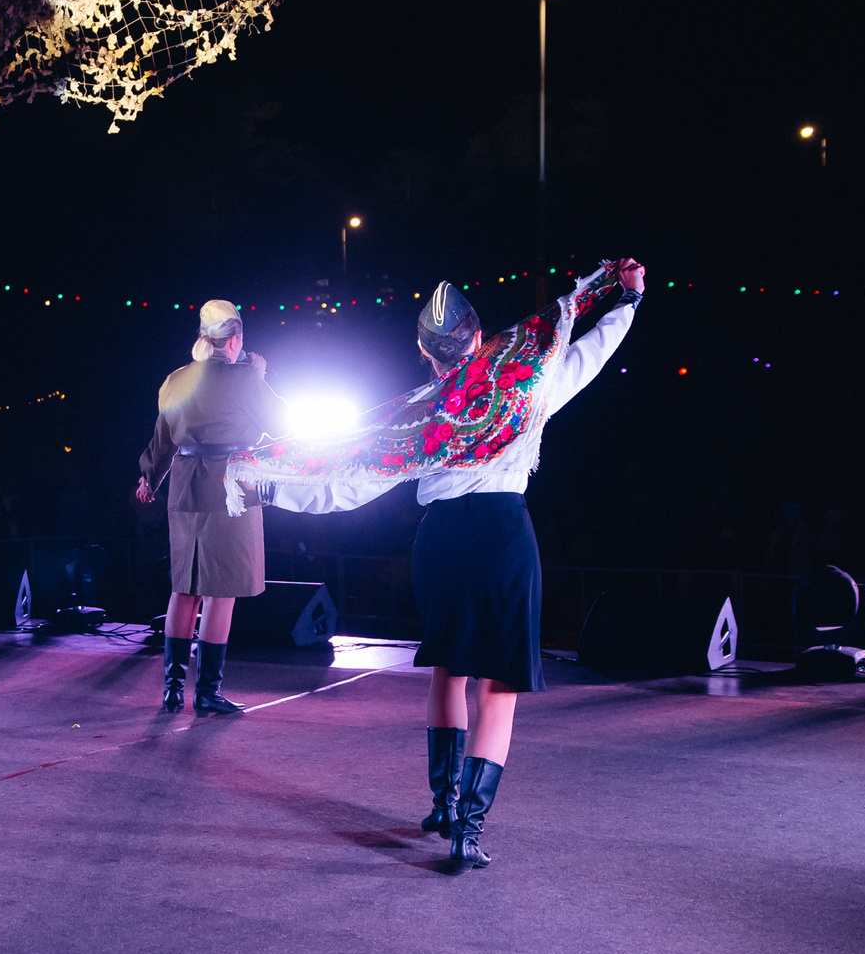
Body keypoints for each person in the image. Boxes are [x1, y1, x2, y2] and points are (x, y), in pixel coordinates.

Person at [222, 261, 643, 870]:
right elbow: (588, 355)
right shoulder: (524, 382)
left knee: (449, 669)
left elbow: (347, 477)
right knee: (499, 687)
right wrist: (626, 302)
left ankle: (442, 805)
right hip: (502, 537)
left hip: (440, 541)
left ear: (426, 351)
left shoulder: (420, 411)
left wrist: (266, 486)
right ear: (477, 336)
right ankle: (467, 834)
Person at [135, 300, 289, 714]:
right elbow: (283, 423)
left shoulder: (176, 379)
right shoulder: (246, 379)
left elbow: (162, 441)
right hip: (230, 486)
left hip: (184, 486)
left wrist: (150, 478)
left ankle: (171, 689)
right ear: (235, 339)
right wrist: (258, 374)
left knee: (184, 588)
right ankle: (207, 692)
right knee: (221, 593)